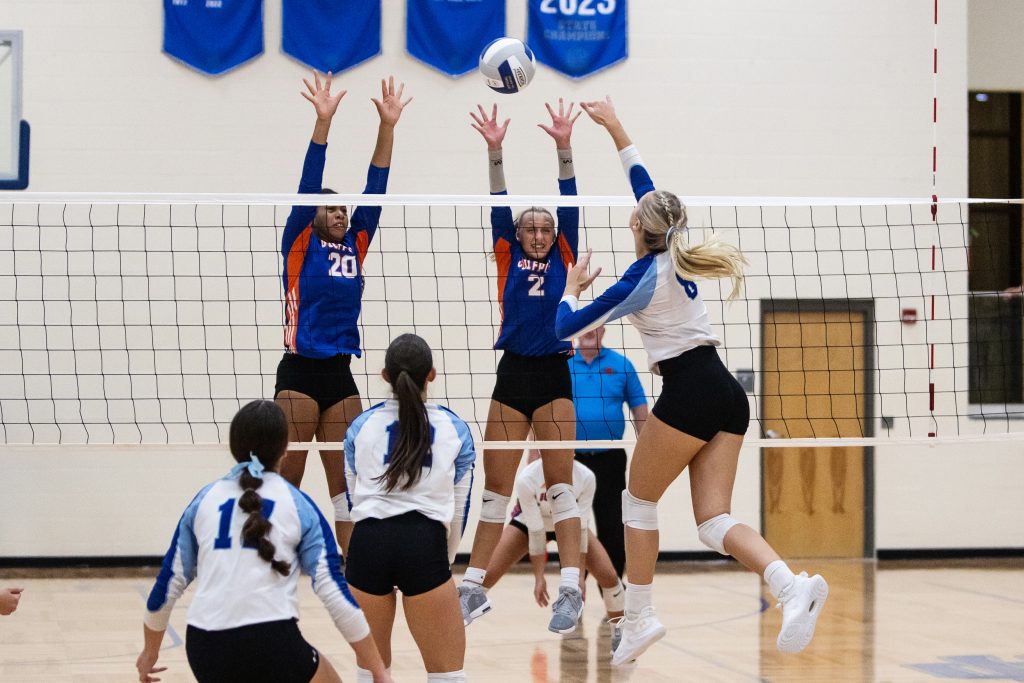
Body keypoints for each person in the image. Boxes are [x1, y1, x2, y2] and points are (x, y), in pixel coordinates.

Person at [555, 97, 828, 665]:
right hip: (726, 390)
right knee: (712, 521)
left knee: (636, 500)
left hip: (690, 390)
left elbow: (563, 327)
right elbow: (651, 194)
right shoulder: (677, 247)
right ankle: (788, 585)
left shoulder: (637, 279)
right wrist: (616, 128)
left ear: (636, 225)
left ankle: (641, 616)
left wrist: (573, 285)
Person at [137, 400, 390, 683]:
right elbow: (334, 593)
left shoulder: (204, 500)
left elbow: (166, 587)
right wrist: (378, 670)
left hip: (205, 645)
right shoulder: (299, 505)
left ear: (233, 447)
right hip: (271, 641)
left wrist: (149, 652)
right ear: (285, 448)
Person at [459, 100, 587, 635]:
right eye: (529, 227)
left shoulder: (564, 250)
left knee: (561, 489)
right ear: (517, 233)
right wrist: (494, 149)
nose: (538, 232)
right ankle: (471, 588)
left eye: (544, 227)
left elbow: (571, 200)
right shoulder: (507, 252)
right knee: (496, 489)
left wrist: (564, 145)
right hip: (512, 374)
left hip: (554, 374)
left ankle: (572, 590)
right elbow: (497, 199)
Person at [275, 72, 411, 555]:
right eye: (331, 209)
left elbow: (377, 184)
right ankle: (276, 565)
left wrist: (387, 126)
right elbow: (309, 181)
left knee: (348, 483)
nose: (341, 213)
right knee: (285, 479)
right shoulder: (299, 241)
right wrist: (323, 122)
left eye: (344, 210)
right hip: (298, 372)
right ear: (312, 215)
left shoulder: (356, 242)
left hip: (339, 372)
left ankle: (355, 571)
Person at [343, 333, 475, 683]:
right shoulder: (454, 428)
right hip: (423, 543)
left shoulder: (360, 427)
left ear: (385, 376)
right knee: (448, 676)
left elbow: (351, 501)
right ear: (431, 374)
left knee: (372, 674)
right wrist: (440, 567)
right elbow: (458, 511)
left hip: (368, 544)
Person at [481, 450, 626, 653]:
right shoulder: (528, 478)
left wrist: (580, 579)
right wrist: (539, 577)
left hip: (569, 526)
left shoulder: (585, 477)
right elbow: (536, 531)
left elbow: (581, 530)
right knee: (485, 575)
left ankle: (620, 635)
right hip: (531, 523)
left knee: (610, 577)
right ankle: (454, 620)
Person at [571, 324, 648, 577]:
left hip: (610, 459)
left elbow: (639, 409)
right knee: (572, 526)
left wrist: (648, 450)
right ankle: (573, 594)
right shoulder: (564, 365)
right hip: (572, 459)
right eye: (584, 326)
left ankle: (613, 595)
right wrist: (536, 451)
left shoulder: (621, 364)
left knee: (612, 527)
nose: (588, 330)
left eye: (594, 326)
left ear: (602, 331)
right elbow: (545, 410)